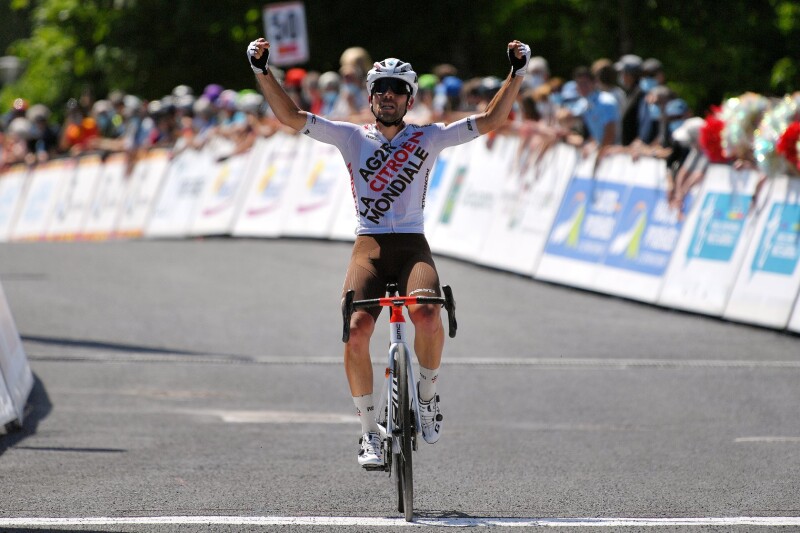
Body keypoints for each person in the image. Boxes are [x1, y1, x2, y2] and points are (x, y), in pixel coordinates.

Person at [246, 36, 531, 468]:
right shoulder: (348, 137)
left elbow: (491, 120)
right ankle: (367, 432)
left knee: (429, 313)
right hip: (370, 245)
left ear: (409, 98)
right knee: (357, 329)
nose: (388, 96)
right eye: (380, 88)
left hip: (413, 244)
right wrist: (262, 71)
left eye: (397, 89)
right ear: (370, 96)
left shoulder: (429, 137)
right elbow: (289, 115)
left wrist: (516, 74)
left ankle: (429, 396)